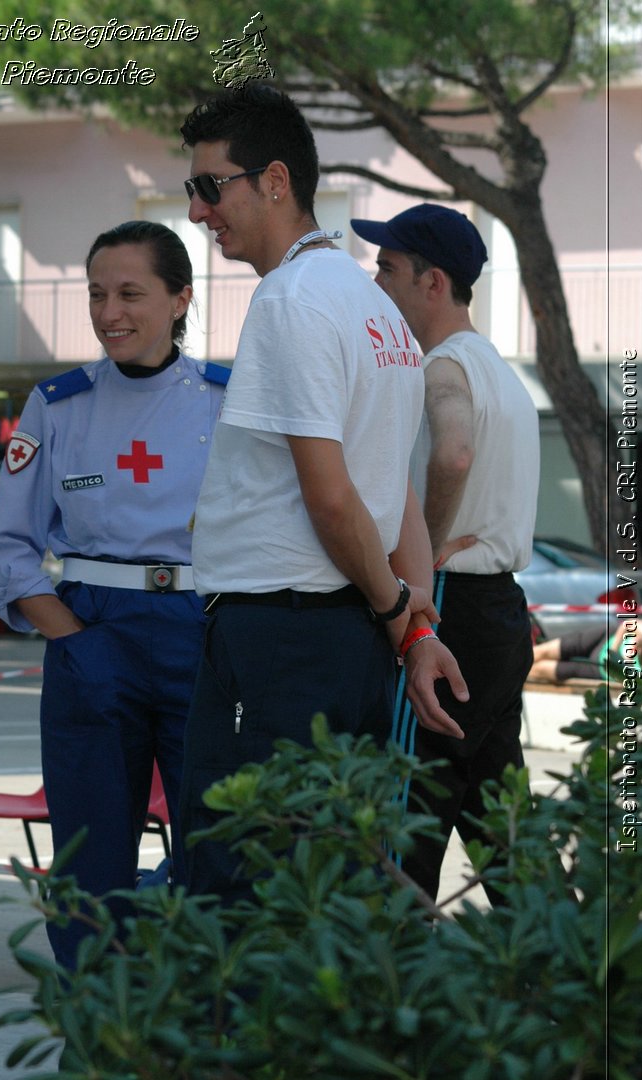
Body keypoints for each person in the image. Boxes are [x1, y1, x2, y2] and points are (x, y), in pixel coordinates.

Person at [178, 87, 469, 903]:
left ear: (275, 180)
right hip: (341, 646)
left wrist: (391, 607)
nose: (199, 212)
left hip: (281, 638)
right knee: (328, 884)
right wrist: (413, 633)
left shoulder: (291, 301)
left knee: (242, 889)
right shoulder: (377, 309)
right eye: (191, 192)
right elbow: (398, 496)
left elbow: (336, 499)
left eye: (210, 188)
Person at [0, 220, 228, 968]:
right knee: (90, 863)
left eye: (130, 293)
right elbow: (6, 551)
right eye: (96, 294)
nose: (109, 312)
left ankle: (206, 1044)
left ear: (181, 298)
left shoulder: (229, 401)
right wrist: (76, 642)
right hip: (93, 632)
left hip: (202, 633)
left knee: (218, 852)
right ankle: (97, 1041)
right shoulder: (58, 406)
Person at [352, 202, 540, 903]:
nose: (376, 284)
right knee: (499, 816)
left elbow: (454, 453)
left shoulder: (441, 367)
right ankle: (574, 978)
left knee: (411, 805)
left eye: (388, 269)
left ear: (432, 283)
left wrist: (419, 554)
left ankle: (390, 988)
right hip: (498, 608)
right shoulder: (498, 368)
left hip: (451, 607)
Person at [529, 620, 642, 685]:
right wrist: (613, 652)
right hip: (604, 639)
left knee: (540, 670)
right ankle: (511, 662)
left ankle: (512, 676)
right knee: (542, 652)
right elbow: (629, 623)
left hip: (599, 671)